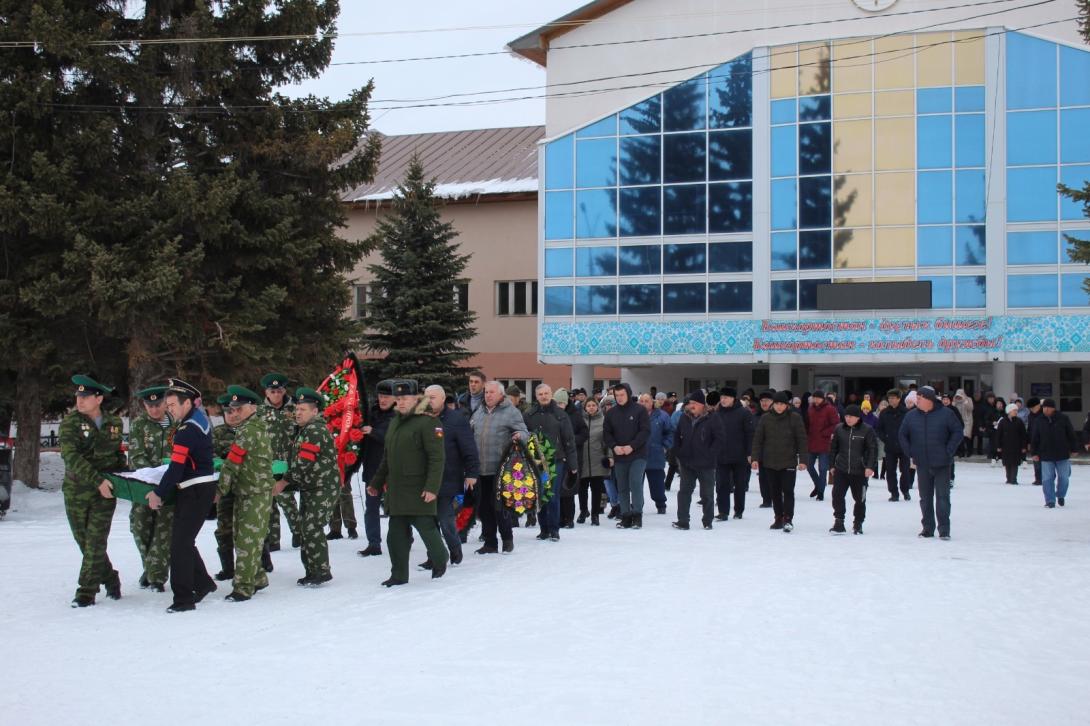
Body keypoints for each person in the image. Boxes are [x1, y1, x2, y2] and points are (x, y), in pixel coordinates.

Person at [145, 379, 218, 613]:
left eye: (173, 404)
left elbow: (176, 468)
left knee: (179, 546)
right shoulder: (197, 422)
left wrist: (158, 493)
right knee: (183, 541)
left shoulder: (187, 431)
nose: (169, 409)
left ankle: (184, 599)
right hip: (197, 488)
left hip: (195, 489)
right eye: (168, 404)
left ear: (187, 403)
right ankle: (203, 583)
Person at [367, 380, 448, 587]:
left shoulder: (428, 422)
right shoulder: (396, 422)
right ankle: (399, 575)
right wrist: (376, 482)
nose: (401, 402)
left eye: (405, 398)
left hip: (419, 489)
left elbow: (437, 458)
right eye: (399, 399)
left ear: (416, 399)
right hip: (396, 490)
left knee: (427, 531)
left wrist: (432, 488)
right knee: (395, 538)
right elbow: (387, 457)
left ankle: (440, 560)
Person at [59, 375, 126, 608]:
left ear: (99, 398)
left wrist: (125, 477)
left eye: (86, 397)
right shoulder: (70, 423)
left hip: (105, 492)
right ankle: (110, 576)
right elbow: (71, 456)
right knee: (84, 542)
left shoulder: (114, 423)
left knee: (96, 542)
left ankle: (86, 592)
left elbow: (117, 455)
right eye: (78, 396)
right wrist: (97, 480)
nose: (80, 401)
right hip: (77, 491)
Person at [274, 387, 340, 586]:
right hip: (311, 486)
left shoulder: (314, 430)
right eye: (297, 409)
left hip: (323, 486)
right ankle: (312, 570)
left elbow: (304, 463)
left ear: (315, 411)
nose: (298, 412)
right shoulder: (304, 430)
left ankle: (321, 570)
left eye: (303, 409)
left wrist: (283, 482)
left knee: (312, 527)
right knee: (305, 528)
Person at [217, 385, 274, 602]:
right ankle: (257, 577)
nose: (235, 413)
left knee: (246, 541)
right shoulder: (253, 427)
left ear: (251, 407)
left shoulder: (249, 430)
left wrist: (219, 490)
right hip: (249, 491)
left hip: (254, 492)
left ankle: (243, 587)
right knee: (245, 537)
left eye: (239, 408)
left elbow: (232, 462)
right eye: (233, 409)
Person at [470, 381, 529, 554]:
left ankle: (507, 539)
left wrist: (520, 435)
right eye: (486, 392)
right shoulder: (478, 412)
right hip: (480, 469)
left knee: (499, 506)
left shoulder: (511, 412)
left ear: (501, 395)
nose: (488, 395)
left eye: (491, 392)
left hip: (501, 468)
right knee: (484, 508)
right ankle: (490, 542)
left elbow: (525, 432)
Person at [423, 385, 479, 566]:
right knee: (429, 521)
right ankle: (434, 556)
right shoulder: (422, 419)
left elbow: (469, 448)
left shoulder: (456, 419)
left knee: (445, 519)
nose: (429, 401)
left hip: (448, 476)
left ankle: (455, 549)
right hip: (426, 477)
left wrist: (471, 473)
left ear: (442, 399)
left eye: (432, 397)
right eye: (426, 397)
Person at [898, 386, 963, 540]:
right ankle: (927, 527)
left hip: (942, 463)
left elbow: (957, 432)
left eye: (919, 398)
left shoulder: (946, 414)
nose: (917, 401)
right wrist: (910, 452)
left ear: (929, 399)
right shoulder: (911, 416)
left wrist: (949, 450)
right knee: (925, 498)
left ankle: (944, 530)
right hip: (922, 463)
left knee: (942, 497)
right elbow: (902, 434)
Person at [127, 385, 174, 592]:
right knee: (140, 527)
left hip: (170, 485)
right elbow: (136, 454)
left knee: (163, 532)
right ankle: (150, 567)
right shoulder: (139, 425)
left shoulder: (177, 424)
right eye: (149, 405)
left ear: (165, 403)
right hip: (144, 485)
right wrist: (150, 476)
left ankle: (157, 577)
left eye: (157, 405)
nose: (154, 409)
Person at [524, 384, 578, 542]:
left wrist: (573, 465)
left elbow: (569, 440)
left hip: (556, 460)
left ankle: (554, 529)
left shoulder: (560, 414)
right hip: (536, 461)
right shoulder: (529, 414)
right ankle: (544, 529)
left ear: (551, 394)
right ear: (536, 396)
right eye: (540, 394)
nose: (544, 396)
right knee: (540, 494)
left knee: (552, 494)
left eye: (546, 393)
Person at [751, 392, 808, 532]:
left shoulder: (794, 418)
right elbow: (758, 439)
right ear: (773, 404)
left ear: (787, 405)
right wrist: (755, 458)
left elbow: (802, 439)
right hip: (770, 461)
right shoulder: (765, 418)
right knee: (774, 492)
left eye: (782, 404)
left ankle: (788, 519)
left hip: (788, 461)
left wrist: (803, 460)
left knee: (788, 491)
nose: (779, 406)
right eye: (777, 404)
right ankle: (778, 517)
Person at [260, 372, 301, 551]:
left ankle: (298, 533)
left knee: (287, 500)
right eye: (272, 391)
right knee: (269, 503)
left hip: (288, 462)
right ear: (266, 393)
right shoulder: (260, 412)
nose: (276, 394)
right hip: (267, 462)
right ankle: (273, 539)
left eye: (279, 390)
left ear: (284, 391)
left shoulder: (295, 409)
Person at [672, 390, 723, 530]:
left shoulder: (713, 418)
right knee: (684, 492)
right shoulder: (683, 417)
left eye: (694, 403)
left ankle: (707, 521)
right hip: (687, 462)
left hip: (706, 464)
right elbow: (676, 437)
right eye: (690, 403)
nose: (691, 405)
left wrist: (710, 455)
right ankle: (683, 520)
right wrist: (679, 452)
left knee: (707, 494)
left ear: (702, 404)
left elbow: (719, 439)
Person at [603, 383, 651, 529]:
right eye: (617, 395)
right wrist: (614, 447)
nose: (619, 398)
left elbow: (645, 431)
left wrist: (632, 446)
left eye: (622, 395)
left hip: (638, 454)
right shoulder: (611, 413)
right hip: (620, 455)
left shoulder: (640, 410)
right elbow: (607, 433)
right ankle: (625, 516)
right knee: (622, 486)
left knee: (635, 483)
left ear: (628, 394)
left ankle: (637, 515)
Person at [357, 381, 396, 557]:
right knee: (371, 507)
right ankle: (374, 543)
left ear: (395, 398)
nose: (383, 400)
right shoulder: (371, 413)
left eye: (387, 396)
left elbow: (391, 438)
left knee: (395, 508)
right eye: (381, 396)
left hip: (392, 470)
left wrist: (372, 431)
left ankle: (404, 537)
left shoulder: (399, 415)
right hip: (372, 468)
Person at [827, 404, 878, 535]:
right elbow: (833, 448)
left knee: (860, 498)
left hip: (860, 471)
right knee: (837, 495)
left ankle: (858, 523)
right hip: (841, 469)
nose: (848, 419)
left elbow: (872, 450)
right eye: (846, 416)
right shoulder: (839, 429)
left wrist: (870, 466)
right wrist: (832, 465)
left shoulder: (867, 430)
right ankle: (839, 521)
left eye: (851, 417)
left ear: (858, 417)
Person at [212, 393, 243, 581]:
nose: (231, 415)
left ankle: (262, 562)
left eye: (234, 411)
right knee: (224, 528)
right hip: (225, 488)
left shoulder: (250, 431)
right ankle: (228, 568)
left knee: (251, 528)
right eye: (227, 412)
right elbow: (213, 458)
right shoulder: (218, 433)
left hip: (247, 487)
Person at [714, 387, 754, 520]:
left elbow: (750, 434)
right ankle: (723, 511)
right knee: (721, 484)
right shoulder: (717, 413)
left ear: (733, 398)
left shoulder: (743, 413)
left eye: (726, 397)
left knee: (739, 484)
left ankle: (738, 510)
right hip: (721, 455)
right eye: (722, 397)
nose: (723, 400)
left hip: (739, 455)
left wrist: (750, 453)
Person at [1030, 399, 1078, 508]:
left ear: (1053, 408)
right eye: (1044, 407)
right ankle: (1050, 500)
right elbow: (1035, 438)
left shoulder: (1063, 418)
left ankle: (1060, 495)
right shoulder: (1039, 420)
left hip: (1062, 454)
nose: (1045, 409)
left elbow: (1071, 434)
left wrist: (1074, 449)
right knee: (1047, 479)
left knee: (1064, 478)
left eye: (1048, 407)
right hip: (1046, 454)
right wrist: (1034, 453)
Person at [577, 398, 610, 525]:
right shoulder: (580, 421)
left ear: (597, 406)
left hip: (598, 459)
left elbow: (608, 441)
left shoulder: (604, 421)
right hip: (583, 460)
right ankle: (583, 511)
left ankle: (595, 514)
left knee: (596, 489)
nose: (591, 407)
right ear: (585, 408)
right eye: (588, 405)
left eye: (593, 405)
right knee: (582, 488)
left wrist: (609, 456)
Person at [640, 392, 674, 515]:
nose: (644, 403)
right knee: (636, 483)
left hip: (655, 454)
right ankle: (637, 505)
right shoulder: (634, 415)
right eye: (641, 401)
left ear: (652, 402)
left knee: (657, 484)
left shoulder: (662, 415)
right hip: (637, 455)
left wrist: (665, 446)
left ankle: (660, 504)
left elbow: (670, 432)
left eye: (646, 401)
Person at [876, 389, 912, 501]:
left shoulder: (906, 412)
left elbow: (911, 429)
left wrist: (907, 440)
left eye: (893, 398)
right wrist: (885, 438)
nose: (891, 400)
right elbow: (879, 429)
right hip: (890, 446)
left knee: (905, 470)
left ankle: (905, 490)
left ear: (899, 399)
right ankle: (894, 493)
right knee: (890, 471)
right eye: (889, 398)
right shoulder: (884, 413)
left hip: (903, 447)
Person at [805, 390, 839, 501]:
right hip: (812, 441)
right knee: (809, 466)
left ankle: (820, 492)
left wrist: (825, 433)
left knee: (823, 468)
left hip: (824, 442)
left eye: (818, 398)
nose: (816, 400)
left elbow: (835, 424)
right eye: (814, 398)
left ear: (822, 399)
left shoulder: (830, 409)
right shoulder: (810, 409)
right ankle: (818, 485)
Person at [753, 390, 775, 508]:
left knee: (775, 477)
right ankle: (766, 499)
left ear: (772, 402)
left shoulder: (778, 415)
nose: (764, 403)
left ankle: (776, 496)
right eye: (762, 401)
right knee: (763, 477)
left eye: (767, 400)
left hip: (776, 451)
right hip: (761, 452)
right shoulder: (756, 416)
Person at [996, 403, 1028, 485]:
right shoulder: (1002, 421)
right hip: (1005, 446)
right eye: (1014, 410)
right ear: (1009, 411)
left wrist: (1024, 446)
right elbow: (999, 434)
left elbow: (1023, 435)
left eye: (1016, 410)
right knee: (1007, 463)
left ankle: (1014, 479)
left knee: (1015, 463)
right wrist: (999, 446)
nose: (1016, 412)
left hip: (1016, 446)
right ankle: (1008, 478)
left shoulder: (1019, 421)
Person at [1025, 398, 1044, 486]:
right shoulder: (1030, 416)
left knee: (1045, 461)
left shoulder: (1044, 414)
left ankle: (1046, 478)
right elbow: (1029, 429)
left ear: (1038, 406)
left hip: (1044, 441)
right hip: (1034, 441)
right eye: (1030, 408)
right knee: (1036, 461)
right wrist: (1028, 442)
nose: (1032, 410)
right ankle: (1038, 479)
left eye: (1033, 408)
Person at [953, 389, 974, 458]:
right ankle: (960, 452)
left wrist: (966, 402)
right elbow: (953, 408)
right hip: (958, 421)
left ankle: (969, 451)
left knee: (966, 436)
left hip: (967, 421)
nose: (959, 397)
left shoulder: (968, 399)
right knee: (959, 436)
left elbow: (971, 408)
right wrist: (954, 403)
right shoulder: (955, 400)